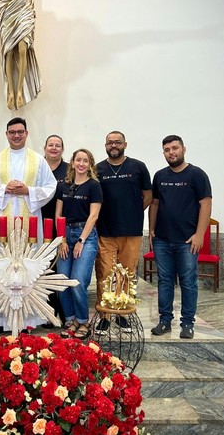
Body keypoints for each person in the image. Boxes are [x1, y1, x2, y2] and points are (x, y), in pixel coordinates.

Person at [0, 117, 57, 331]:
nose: (16, 135)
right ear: (6, 134)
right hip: (1, 221)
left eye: (20, 131)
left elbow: (51, 186)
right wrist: (4, 188)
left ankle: (29, 318)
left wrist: (27, 191)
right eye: (12, 132)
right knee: (0, 266)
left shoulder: (38, 160)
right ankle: (0, 318)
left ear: (26, 133)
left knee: (29, 266)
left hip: (29, 221)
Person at [149, 135, 212, 339]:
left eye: (175, 148)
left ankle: (187, 323)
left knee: (188, 282)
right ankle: (165, 321)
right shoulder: (159, 176)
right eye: (167, 150)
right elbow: (155, 204)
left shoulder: (197, 175)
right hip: (162, 240)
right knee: (164, 281)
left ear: (184, 149)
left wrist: (199, 235)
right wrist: (151, 230)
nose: (171, 152)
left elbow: (206, 204)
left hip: (187, 241)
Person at [94, 131, 152, 334]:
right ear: (105, 145)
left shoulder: (138, 167)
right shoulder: (98, 168)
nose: (113, 145)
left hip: (131, 230)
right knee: (106, 274)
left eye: (117, 142)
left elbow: (148, 196)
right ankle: (105, 315)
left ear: (125, 144)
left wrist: (132, 212)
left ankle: (122, 315)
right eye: (110, 142)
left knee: (126, 274)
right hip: (106, 230)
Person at [55, 149, 103, 338]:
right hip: (65, 234)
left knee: (78, 282)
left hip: (86, 235)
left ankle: (82, 321)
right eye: (78, 160)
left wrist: (81, 240)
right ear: (73, 162)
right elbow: (58, 215)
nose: (81, 164)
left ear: (89, 164)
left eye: (85, 161)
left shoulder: (94, 186)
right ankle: (70, 320)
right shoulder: (64, 186)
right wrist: (62, 240)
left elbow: (94, 215)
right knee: (63, 280)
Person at [40, 134, 68, 326]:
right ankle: (48, 312)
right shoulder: (37, 167)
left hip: (62, 224)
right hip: (39, 224)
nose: (54, 148)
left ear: (62, 149)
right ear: (45, 148)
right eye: (51, 145)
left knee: (61, 269)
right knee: (43, 270)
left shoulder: (69, 170)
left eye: (58, 145)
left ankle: (66, 312)